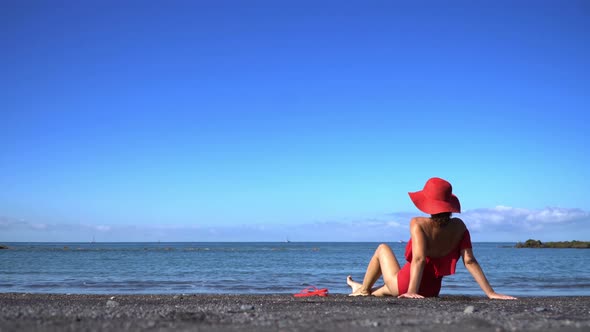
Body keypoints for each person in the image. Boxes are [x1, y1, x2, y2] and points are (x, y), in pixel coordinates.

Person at [347, 177, 516, 300]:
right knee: (381, 291)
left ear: (428, 203)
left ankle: (362, 289)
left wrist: (411, 291)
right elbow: (469, 261)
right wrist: (491, 293)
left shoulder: (418, 223)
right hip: (431, 290)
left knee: (382, 248)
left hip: (406, 284)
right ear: (449, 204)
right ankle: (361, 288)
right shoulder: (460, 226)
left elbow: (419, 259)